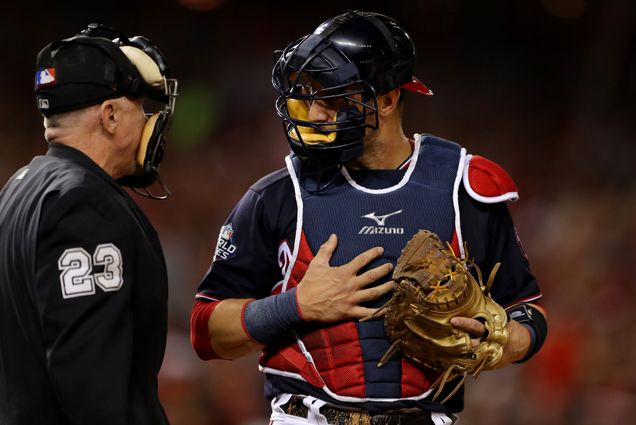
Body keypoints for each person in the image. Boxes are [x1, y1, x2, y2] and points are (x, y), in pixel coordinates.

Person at [190, 10, 547, 424]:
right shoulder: (277, 195)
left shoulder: (462, 189)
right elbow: (205, 331)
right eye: (309, 94)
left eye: (333, 97)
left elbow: (527, 307)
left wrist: (506, 337)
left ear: (388, 98)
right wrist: (295, 305)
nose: (316, 113)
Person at [0, 23, 178, 425]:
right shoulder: (83, 203)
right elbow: (92, 381)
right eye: (141, 109)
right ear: (110, 114)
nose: (148, 123)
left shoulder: (19, 187)